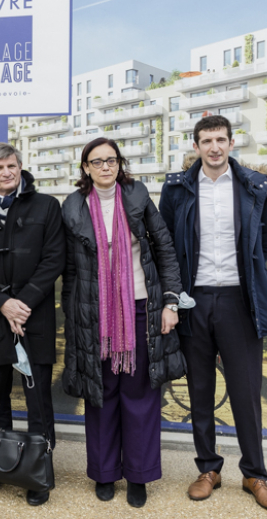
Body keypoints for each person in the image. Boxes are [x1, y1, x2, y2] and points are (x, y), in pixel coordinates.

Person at [160, 115, 267, 513]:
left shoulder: (255, 186)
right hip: (194, 300)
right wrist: (175, 298)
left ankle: (254, 474)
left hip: (238, 301)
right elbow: (167, 247)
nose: (214, 147)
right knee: (199, 391)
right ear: (195, 146)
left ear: (231, 143)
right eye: (206, 140)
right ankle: (208, 468)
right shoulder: (177, 189)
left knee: (246, 392)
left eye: (220, 140)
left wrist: (243, 280)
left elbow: (264, 243)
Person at [60, 138, 186, 508]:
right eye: (96, 162)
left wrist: (170, 302)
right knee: (101, 397)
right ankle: (104, 473)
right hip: (94, 314)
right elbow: (70, 270)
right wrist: (73, 315)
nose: (104, 167)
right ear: (85, 167)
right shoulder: (73, 207)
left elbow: (164, 249)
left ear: (119, 163)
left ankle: (139, 474)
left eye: (111, 160)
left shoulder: (136, 197)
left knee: (140, 396)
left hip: (139, 309)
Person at [0, 142, 65, 507]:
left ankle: (39, 473)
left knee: (38, 401)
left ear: (21, 167)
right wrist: (3, 303)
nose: (6, 172)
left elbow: (54, 259)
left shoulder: (47, 207)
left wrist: (24, 304)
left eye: (11, 165)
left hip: (34, 318)